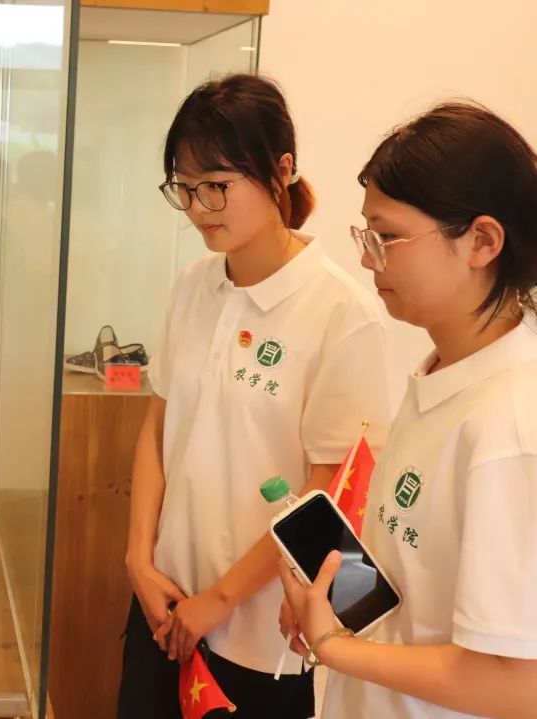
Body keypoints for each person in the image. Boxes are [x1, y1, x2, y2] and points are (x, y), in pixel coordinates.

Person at [117, 73, 392, 719]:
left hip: (256, 634)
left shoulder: (339, 312)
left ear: (282, 169)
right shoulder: (193, 285)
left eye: (217, 184)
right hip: (162, 602)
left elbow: (328, 488)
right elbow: (158, 427)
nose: (199, 207)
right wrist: (137, 558)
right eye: (185, 187)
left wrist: (218, 599)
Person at [279, 101, 537, 718]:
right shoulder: (445, 372)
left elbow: (518, 683)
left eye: (387, 237)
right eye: (366, 234)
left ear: (482, 241)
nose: (369, 257)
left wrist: (335, 646)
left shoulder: (510, 425)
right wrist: (338, 606)